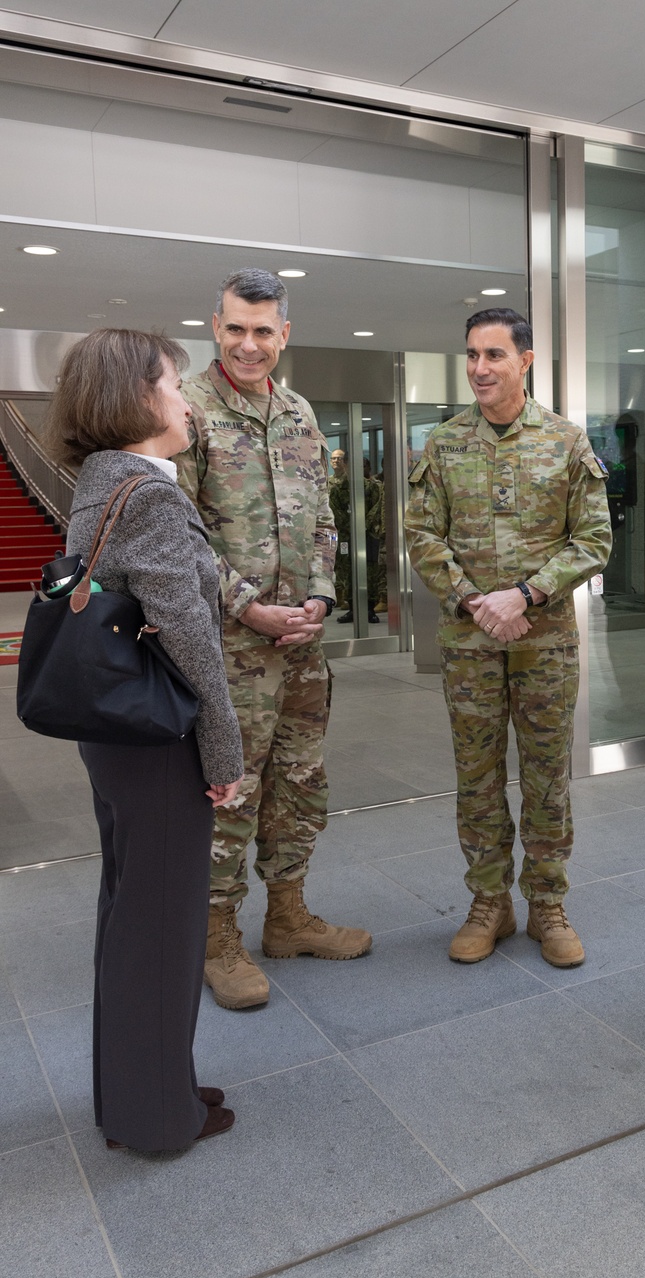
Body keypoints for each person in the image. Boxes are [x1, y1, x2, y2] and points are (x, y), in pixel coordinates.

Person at [49, 328, 244, 1151]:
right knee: (162, 927)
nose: (186, 399)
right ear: (138, 398)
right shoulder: (150, 492)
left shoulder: (101, 481)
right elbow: (189, 631)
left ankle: (138, 1089)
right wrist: (225, 752)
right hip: (160, 737)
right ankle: (158, 1118)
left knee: (131, 917)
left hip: (116, 732)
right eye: (174, 383)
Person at [175, 268, 372, 1012]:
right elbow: (182, 537)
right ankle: (216, 935)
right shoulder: (188, 410)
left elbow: (323, 518)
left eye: (263, 331)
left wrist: (322, 593)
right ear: (214, 327)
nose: (248, 344)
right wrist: (249, 607)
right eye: (235, 328)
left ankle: (287, 917)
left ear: (284, 334)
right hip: (230, 649)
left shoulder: (298, 412)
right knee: (231, 788)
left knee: (301, 779)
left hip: (303, 648)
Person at [405, 308, 612, 968]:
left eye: (494, 355)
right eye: (471, 354)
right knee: (477, 777)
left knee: (547, 779)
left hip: (544, 642)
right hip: (470, 647)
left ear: (526, 360)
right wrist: (476, 601)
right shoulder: (442, 444)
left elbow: (595, 539)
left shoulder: (565, 442)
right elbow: (421, 536)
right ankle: (488, 903)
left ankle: (547, 905)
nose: (479, 367)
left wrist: (524, 595)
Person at [328, 448, 383, 625]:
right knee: (347, 571)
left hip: (368, 535)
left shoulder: (372, 487)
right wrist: (351, 527)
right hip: (346, 536)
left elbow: (376, 509)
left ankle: (369, 608)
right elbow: (335, 511)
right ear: (346, 466)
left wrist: (363, 526)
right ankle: (352, 607)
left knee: (370, 571)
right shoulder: (338, 488)